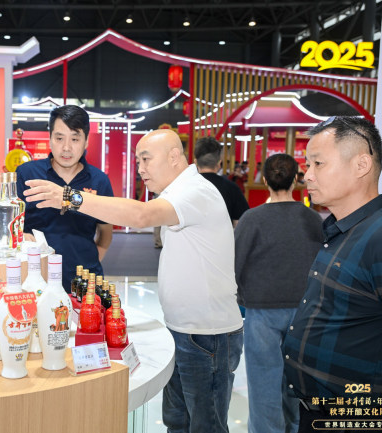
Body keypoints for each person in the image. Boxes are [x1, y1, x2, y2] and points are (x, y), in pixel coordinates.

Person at [24, 129, 243, 433]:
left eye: (146, 159)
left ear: (174, 156)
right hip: (185, 330)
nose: (140, 169)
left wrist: (69, 197)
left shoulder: (196, 191)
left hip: (208, 335)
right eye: (138, 160)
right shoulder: (178, 193)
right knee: (178, 422)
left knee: (205, 426)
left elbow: (141, 216)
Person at [282, 117, 382, 432]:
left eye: (318, 164)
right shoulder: (342, 231)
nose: (307, 175)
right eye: (307, 164)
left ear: (361, 165)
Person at [234, 153, 323, 433]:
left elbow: (234, 265)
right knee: (300, 383)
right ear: (296, 179)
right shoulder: (313, 218)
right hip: (305, 311)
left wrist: (240, 298)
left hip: (261, 310)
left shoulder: (252, 219)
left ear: (265, 180)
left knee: (263, 384)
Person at [15, 105, 113, 287]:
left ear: (86, 142)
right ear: (50, 138)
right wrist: (23, 236)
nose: (66, 148)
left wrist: (90, 263)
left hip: (85, 283)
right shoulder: (27, 174)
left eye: (75, 139)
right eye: (59, 138)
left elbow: (105, 233)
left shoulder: (99, 181)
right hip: (36, 281)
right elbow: (11, 226)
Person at [194, 136, 249, 227]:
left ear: (195, 162)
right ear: (219, 163)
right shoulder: (232, 188)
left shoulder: (183, 187)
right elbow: (240, 223)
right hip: (222, 235)